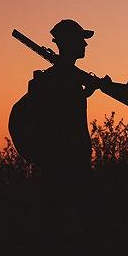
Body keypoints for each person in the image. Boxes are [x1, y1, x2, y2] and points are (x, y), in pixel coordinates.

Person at [32, 19, 110, 184]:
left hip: (71, 162)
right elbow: (62, 117)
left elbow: (68, 105)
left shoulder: (66, 77)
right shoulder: (60, 78)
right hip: (65, 166)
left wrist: (86, 92)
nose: (85, 44)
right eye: (80, 40)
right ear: (70, 43)